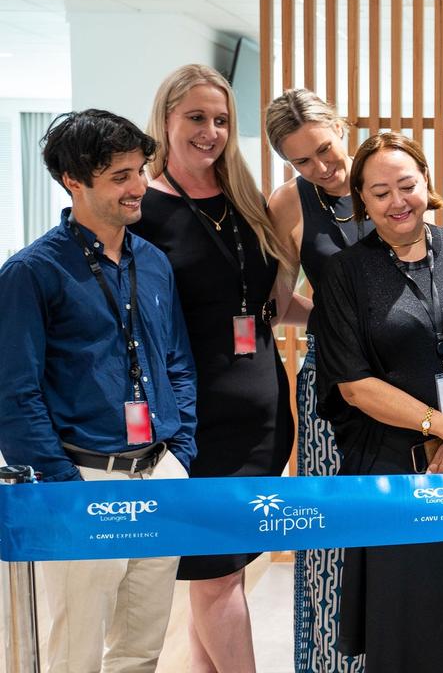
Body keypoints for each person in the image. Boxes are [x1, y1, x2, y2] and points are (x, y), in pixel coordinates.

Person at [0, 110, 196, 672]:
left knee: (142, 645)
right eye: (119, 176)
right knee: (75, 649)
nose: (138, 187)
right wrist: (63, 488)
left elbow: (176, 362)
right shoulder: (31, 273)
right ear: (74, 181)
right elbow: (15, 395)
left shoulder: (153, 263)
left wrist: (178, 453)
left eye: (139, 171)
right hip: (83, 478)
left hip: (158, 473)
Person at [132, 64, 304, 672]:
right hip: (192, 423)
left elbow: (273, 307)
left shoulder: (243, 203)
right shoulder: (142, 208)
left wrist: (356, 324)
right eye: (197, 118)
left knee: (221, 575)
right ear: (166, 122)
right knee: (215, 579)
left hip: (260, 416)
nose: (211, 132)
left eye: (222, 120)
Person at [313, 132, 443, 672]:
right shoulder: (345, 273)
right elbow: (352, 383)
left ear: (426, 184)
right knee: (403, 623)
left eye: (407, 185)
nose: (397, 202)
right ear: (362, 201)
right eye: (379, 192)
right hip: (393, 469)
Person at [264, 88, 365, 673]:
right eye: (303, 160)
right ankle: (329, 663)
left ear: (341, 127)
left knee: (398, 526)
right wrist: (330, 318)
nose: (321, 167)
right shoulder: (289, 202)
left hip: (404, 382)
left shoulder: (386, 171)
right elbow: (277, 300)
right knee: (328, 530)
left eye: (325, 149)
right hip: (327, 380)